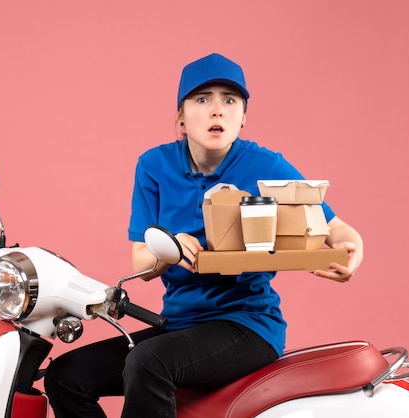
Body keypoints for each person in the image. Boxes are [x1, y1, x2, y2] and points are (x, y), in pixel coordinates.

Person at [44, 52, 364, 417]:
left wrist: (351, 252)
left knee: (148, 362)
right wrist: (170, 248)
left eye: (230, 100)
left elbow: (337, 229)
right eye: (202, 99)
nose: (217, 110)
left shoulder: (266, 165)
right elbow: (142, 261)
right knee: (65, 375)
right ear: (180, 116)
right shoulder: (154, 166)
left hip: (248, 325)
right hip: (178, 325)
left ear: (244, 117)